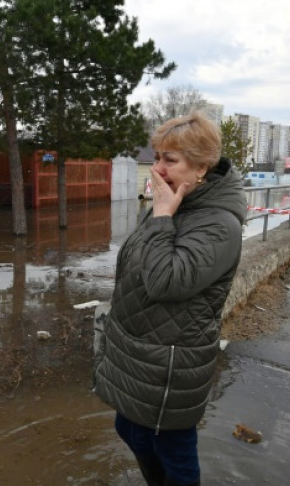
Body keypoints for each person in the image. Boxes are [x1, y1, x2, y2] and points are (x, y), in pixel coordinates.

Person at [93, 112, 247, 486]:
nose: (158, 168)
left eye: (170, 160)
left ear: (201, 167)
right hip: (139, 347)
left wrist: (161, 216)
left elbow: (166, 282)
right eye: (158, 157)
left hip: (170, 363)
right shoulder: (177, 202)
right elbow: (137, 261)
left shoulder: (218, 223)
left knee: (174, 452)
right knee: (129, 430)